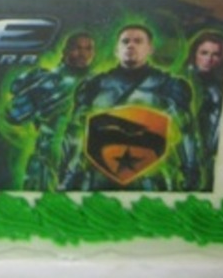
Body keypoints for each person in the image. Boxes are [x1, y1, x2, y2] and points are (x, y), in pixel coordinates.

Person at [58, 24, 198, 191]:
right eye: (125, 41)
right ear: (116, 50)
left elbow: (186, 132)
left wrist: (191, 170)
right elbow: (75, 133)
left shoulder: (170, 87)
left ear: (150, 49)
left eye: (138, 41)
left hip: (150, 177)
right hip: (98, 176)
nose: (131, 45)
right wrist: (68, 173)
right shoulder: (94, 86)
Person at [7, 32, 95, 190]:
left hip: (84, 156)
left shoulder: (99, 82)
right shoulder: (48, 80)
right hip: (49, 153)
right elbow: (14, 115)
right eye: (77, 48)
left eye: (88, 48)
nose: (83, 53)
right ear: (65, 50)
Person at [186, 31, 223, 187]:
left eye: (215, 55)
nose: (209, 59)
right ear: (194, 54)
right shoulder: (182, 80)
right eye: (204, 53)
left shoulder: (219, 86)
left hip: (212, 145)